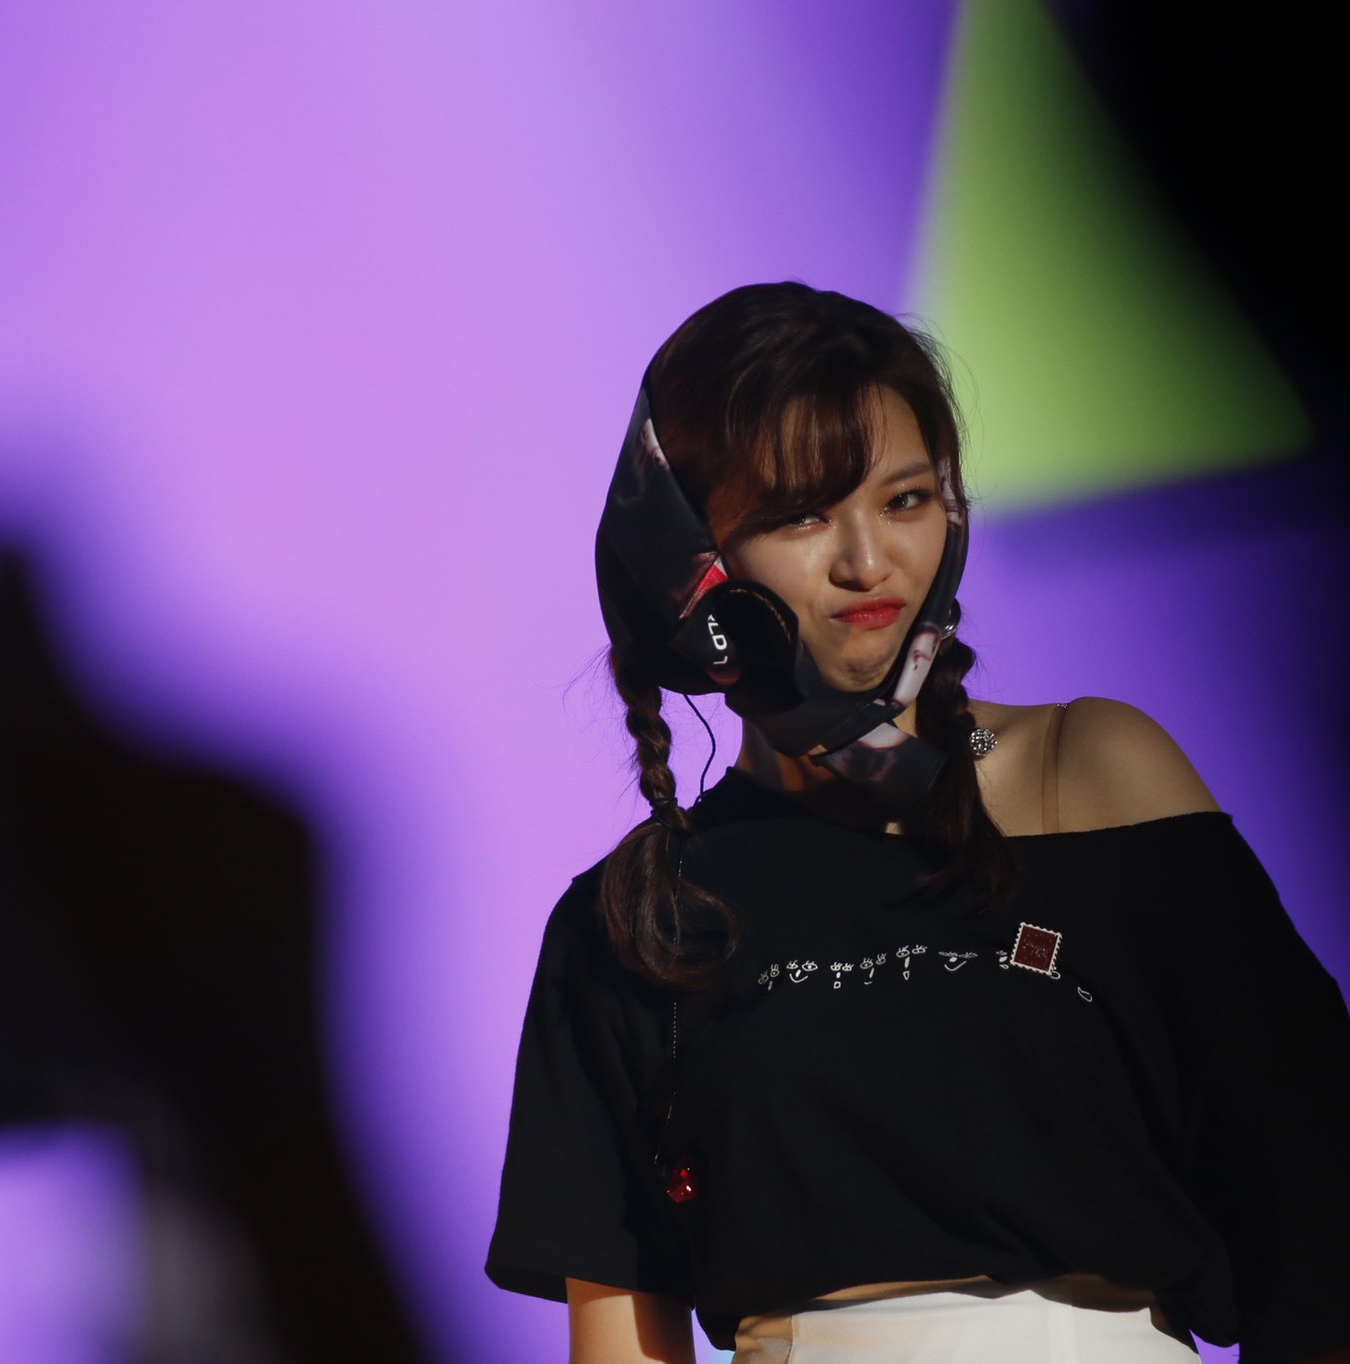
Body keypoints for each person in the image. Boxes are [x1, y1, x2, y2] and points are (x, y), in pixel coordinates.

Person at [484, 282, 1350, 1363]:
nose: (868, 561)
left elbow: (1318, 1217)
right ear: (682, 557)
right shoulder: (636, 920)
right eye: (801, 513)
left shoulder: (1093, 774)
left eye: (903, 499)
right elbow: (620, 1344)